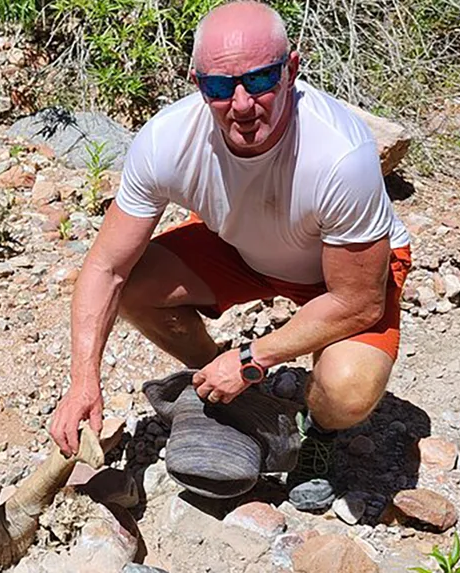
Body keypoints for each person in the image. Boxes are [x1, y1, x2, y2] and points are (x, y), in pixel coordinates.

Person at [48, 0, 412, 486]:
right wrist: (82, 382)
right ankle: (218, 384)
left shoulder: (339, 155)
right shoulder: (166, 141)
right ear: (198, 85)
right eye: (220, 87)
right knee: (133, 286)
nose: (241, 104)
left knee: (346, 391)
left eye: (260, 80)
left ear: (291, 70)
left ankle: (318, 434)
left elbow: (358, 301)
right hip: (244, 252)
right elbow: (105, 269)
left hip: (338, 277)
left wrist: (252, 359)